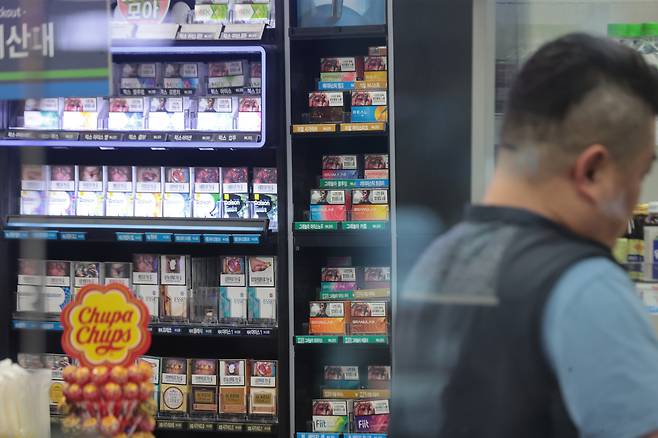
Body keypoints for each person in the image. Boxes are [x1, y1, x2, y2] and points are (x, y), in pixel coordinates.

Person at [391, 33, 658, 438]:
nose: (627, 219)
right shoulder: (586, 286)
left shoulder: (440, 258)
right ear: (593, 172)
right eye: (639, 176)